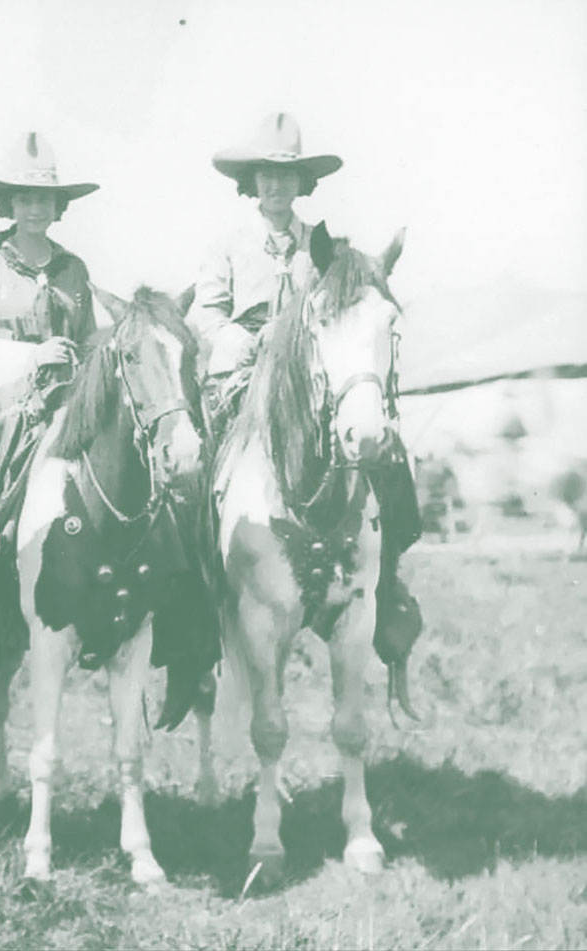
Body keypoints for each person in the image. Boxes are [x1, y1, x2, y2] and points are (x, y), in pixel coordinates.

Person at [189, 112, 423, 680]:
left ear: (302, 184)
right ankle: (195, 597)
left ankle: (385, 580)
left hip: (308, 384)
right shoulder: (227, 246)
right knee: (196, 470)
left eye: (286, 176)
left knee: (384, 456)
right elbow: (203, 314)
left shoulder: (320, 247)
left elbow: (345, 310)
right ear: (251, 183)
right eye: (266, 176)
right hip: (245, 381)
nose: (275, 186)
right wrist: (243, 341)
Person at [0, 131, 100, 660]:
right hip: (4, 402)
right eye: (24, 198)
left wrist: (77, 363)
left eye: (44, 198)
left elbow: (86, 339)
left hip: (69, 401)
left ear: (57, 205)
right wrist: (31, 357)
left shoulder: (73, 269)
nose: (35, 207)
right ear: (8, 205)